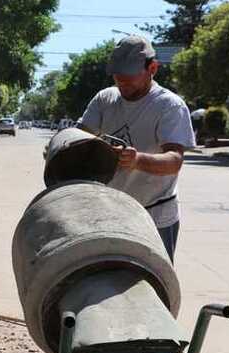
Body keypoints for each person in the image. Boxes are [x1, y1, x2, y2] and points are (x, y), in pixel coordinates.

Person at [77, 35, 195, 262]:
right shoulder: (105, 99)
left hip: (154, 216)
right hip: (109, 213)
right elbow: (81, 135)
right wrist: (65, 145)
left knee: (155, 283)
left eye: (129, 75)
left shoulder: (168, 105)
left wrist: (138, 160)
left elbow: (174, 161)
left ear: (152, 68)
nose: (122, 81)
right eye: (117, 75)